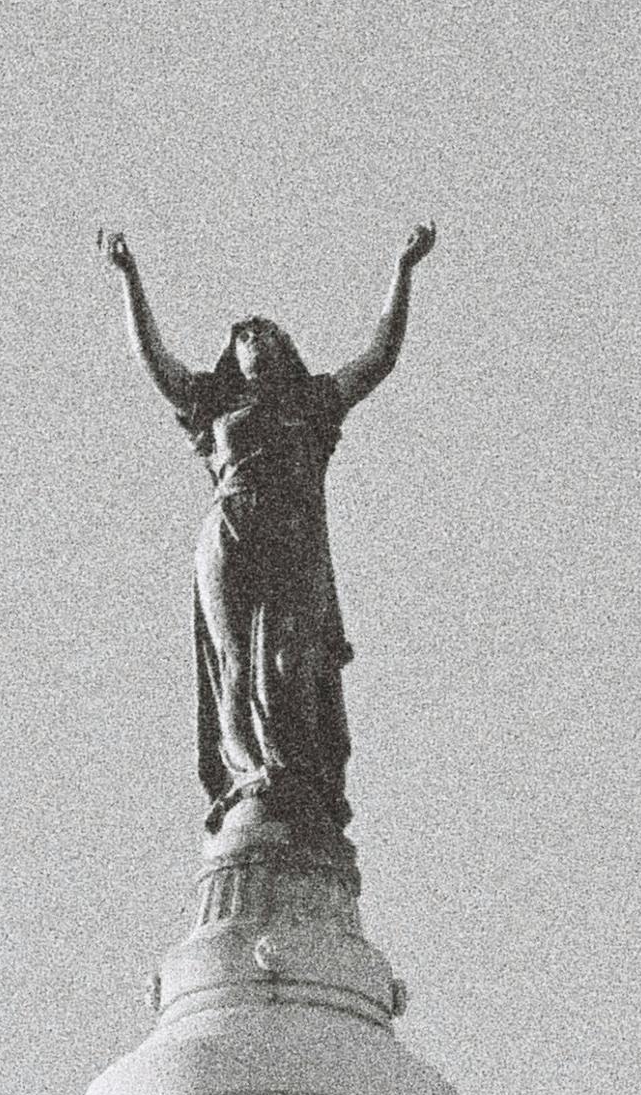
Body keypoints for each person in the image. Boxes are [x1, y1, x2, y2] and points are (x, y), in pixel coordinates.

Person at [101, 227, 435, 848]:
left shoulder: (314, 405)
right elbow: (155, 360)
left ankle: (297, 782)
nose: (256, 341)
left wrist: (403, 267)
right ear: (235, 353)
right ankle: (249, 777)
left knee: (286, 663)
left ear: (285, 350)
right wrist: (129, 277)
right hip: (227, 533)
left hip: (292, 538)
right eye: (244, 335)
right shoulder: (213, 409)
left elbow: (381, 356)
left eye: (267, 334)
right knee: (233, 663)